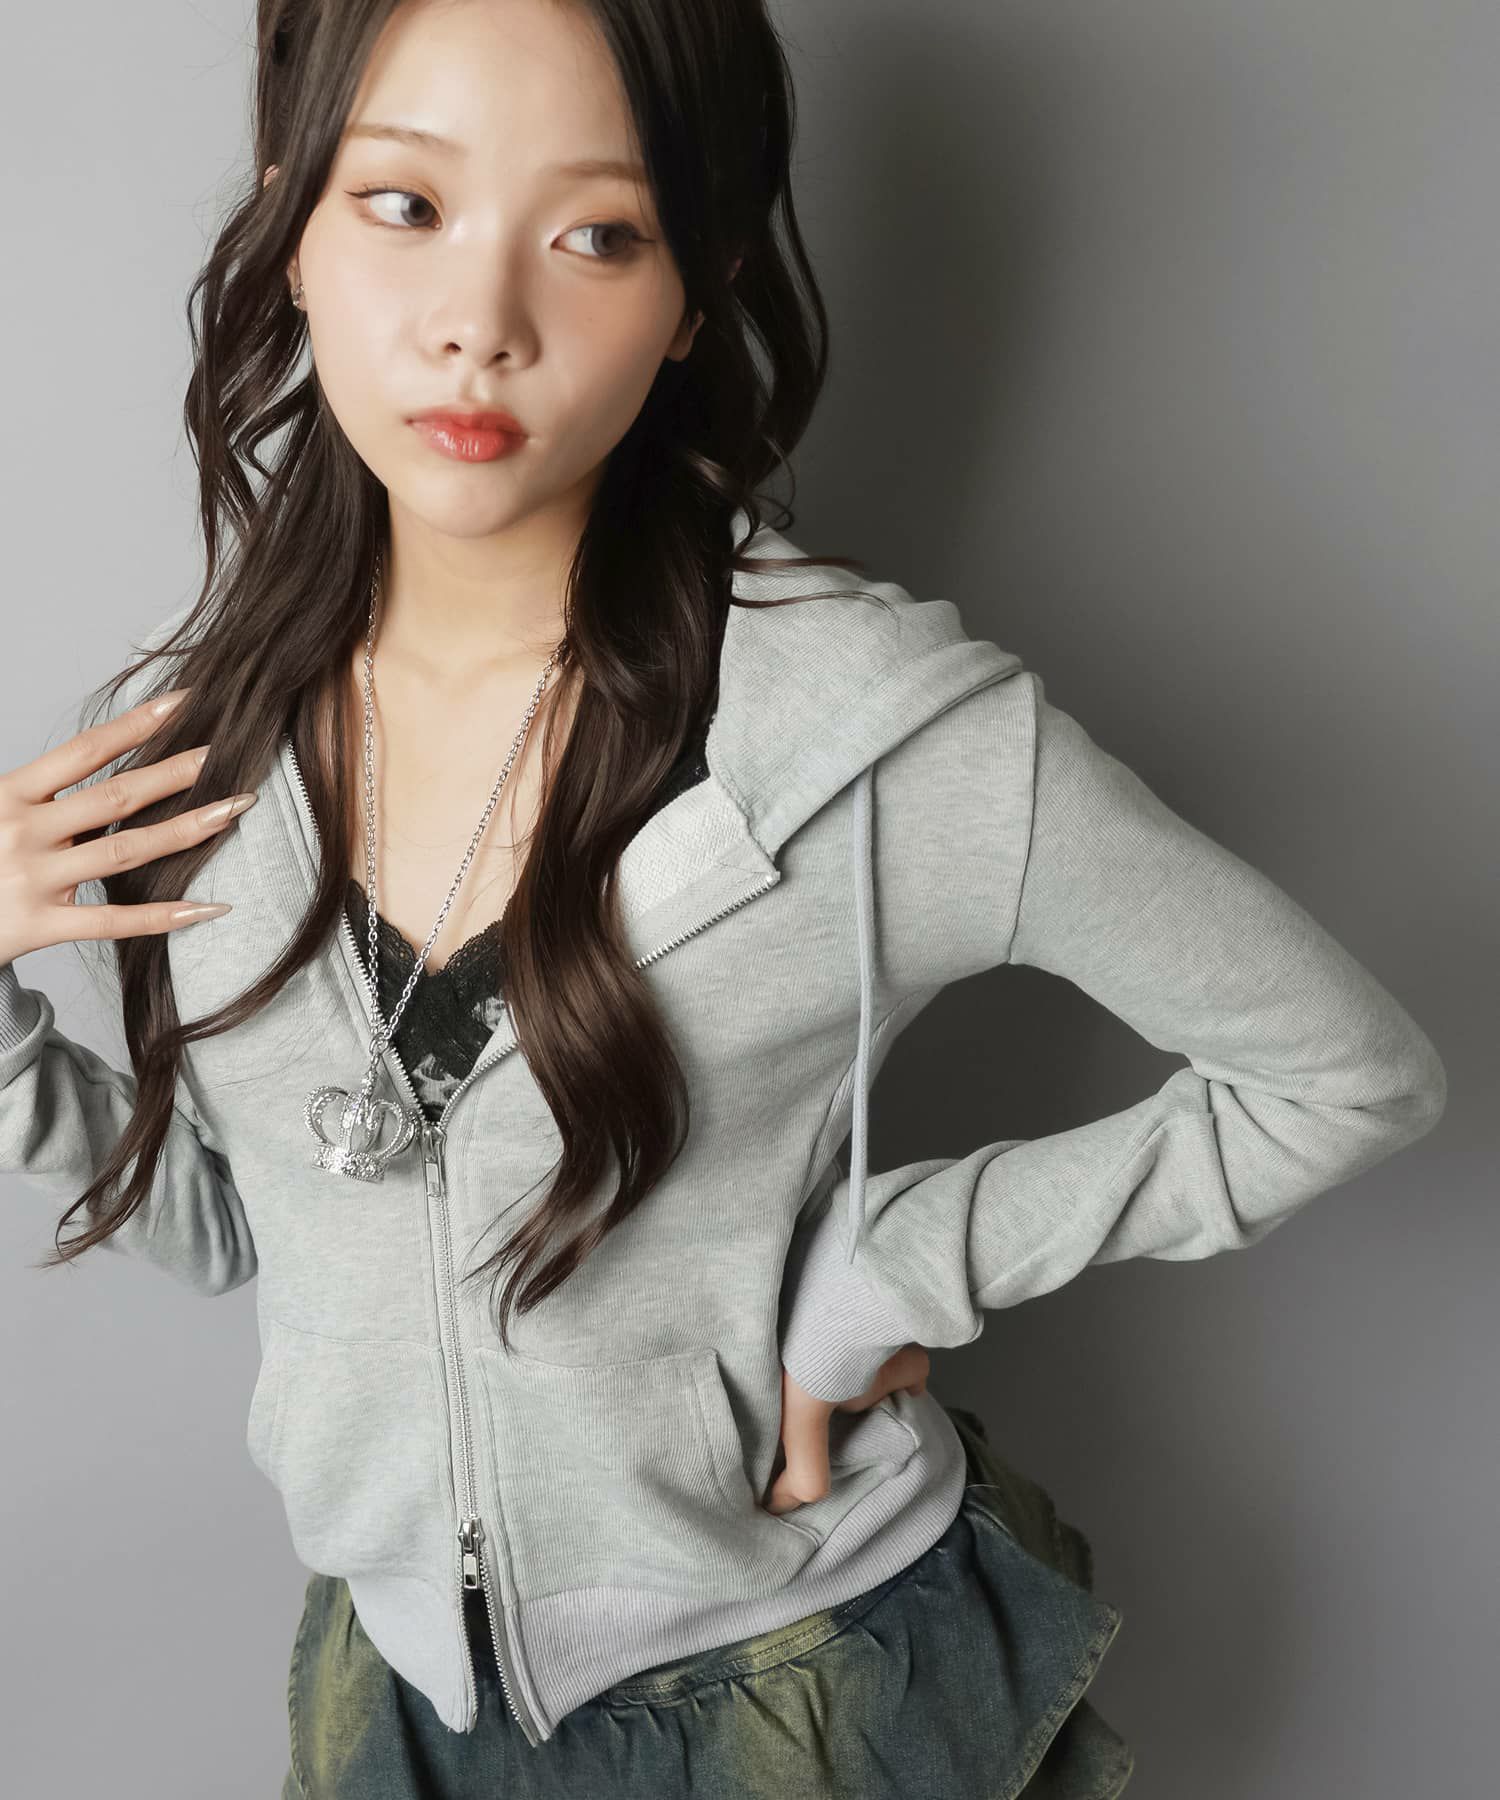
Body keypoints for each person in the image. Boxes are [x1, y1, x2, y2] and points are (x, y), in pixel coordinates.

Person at [0, 1, 1447, 1795]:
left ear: (696, 296)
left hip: (798, 1698)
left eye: (596, 234)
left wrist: (901, 1261)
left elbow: (1347, 1076)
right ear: (294, 224)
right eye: (406, 205)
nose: (479, 320)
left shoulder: (879, 736)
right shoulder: (186, 746)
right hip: (396, 1705)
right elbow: (238, 1235)